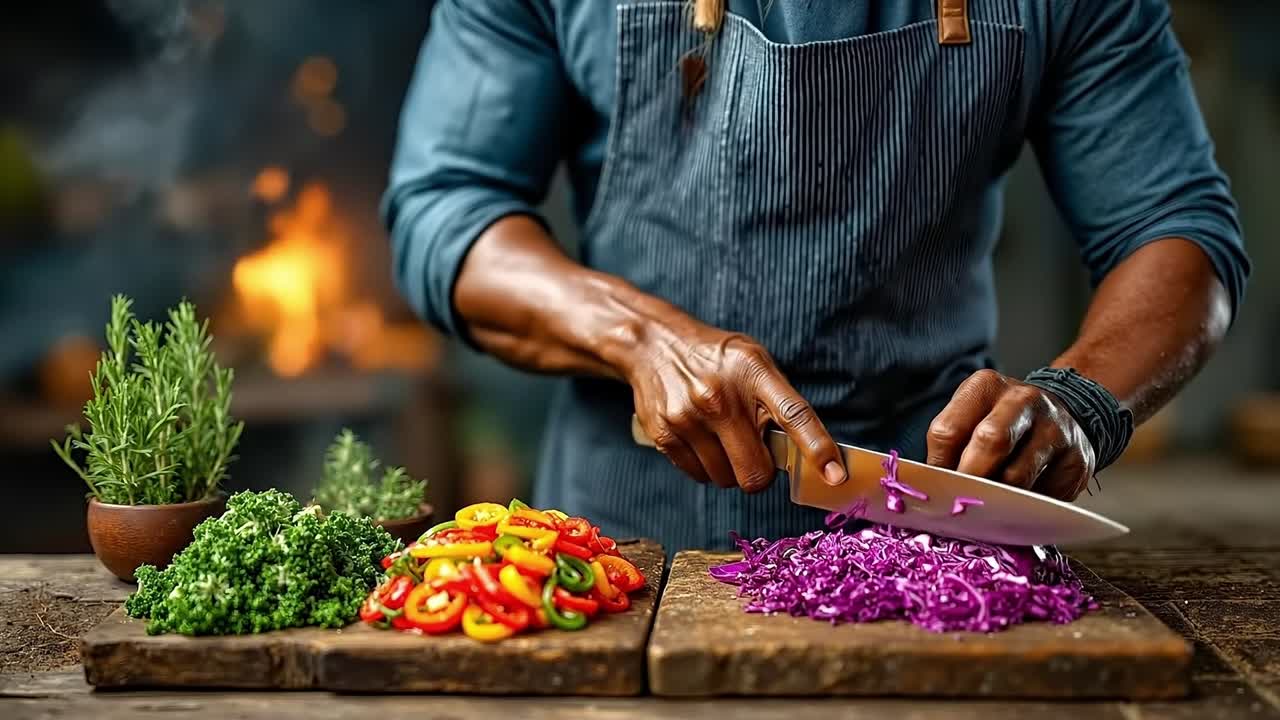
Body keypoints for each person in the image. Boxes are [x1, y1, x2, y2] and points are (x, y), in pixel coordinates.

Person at [383, 0, 1249, 553]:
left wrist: (1085, 400)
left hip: (932, 538)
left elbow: (1174, 227)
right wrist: (640, 338)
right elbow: (446, 207)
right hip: (622, 543)